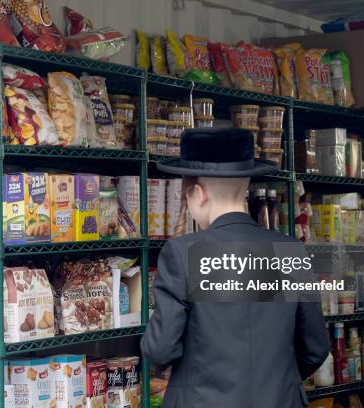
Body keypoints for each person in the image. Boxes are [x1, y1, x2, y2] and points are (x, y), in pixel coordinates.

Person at [141, 127, 329, 407]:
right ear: (245, 188)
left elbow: (160, 349)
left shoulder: (184, 253)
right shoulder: (289, 252)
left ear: (198, 194)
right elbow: (316, 348)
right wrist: (273, 383)